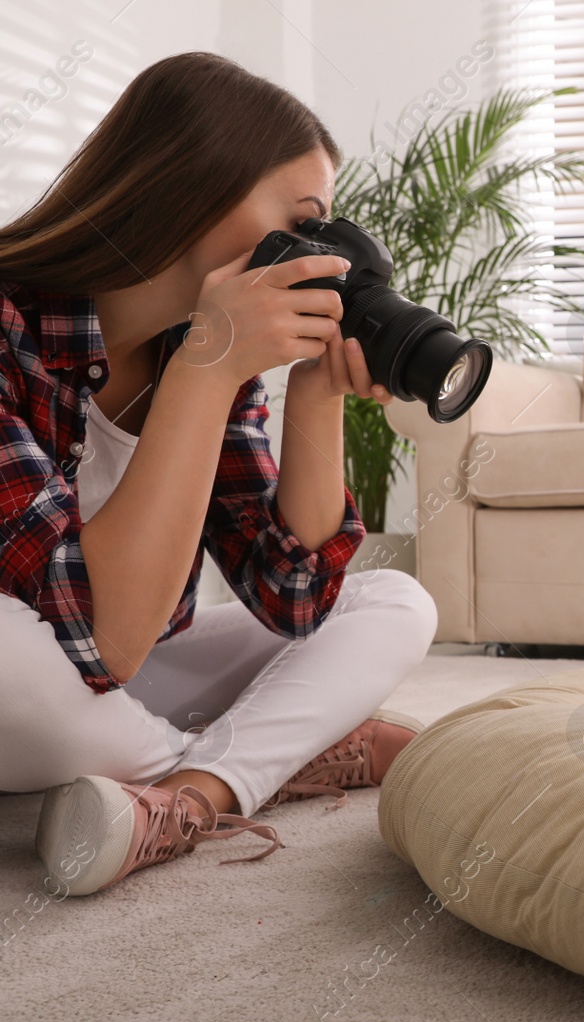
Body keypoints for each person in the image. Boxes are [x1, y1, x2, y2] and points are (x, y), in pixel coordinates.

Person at [0, 52, 439, 897]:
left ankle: (192, 795)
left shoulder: (200, 348)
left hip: (112, 684)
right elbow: (107, 637)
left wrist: (315, 394)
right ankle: (278, 751)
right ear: (193, 190)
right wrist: (206, 369)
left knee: (394, 601)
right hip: (32, 669)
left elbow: (292, 598)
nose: (322, 255)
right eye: (307, 222)